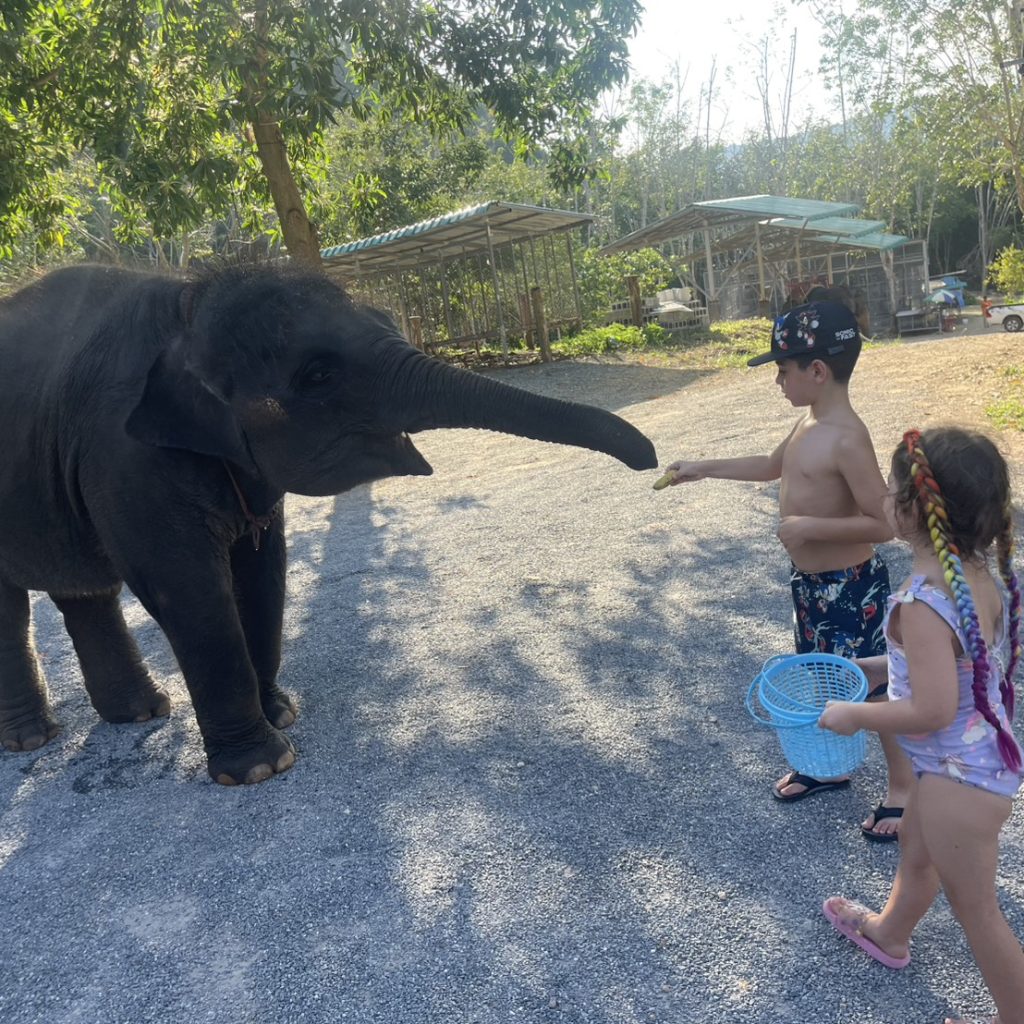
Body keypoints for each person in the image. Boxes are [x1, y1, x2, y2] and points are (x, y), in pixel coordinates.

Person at [661, 300, 912, 838]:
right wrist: (701, 468)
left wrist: (809, 528)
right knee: (824, 677)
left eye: (782, 369)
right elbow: (771, 466)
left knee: (875, 689)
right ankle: (830, 767)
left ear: (817, 370)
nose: (777, 381)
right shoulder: (809, 421)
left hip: (851, 590)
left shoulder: (846, 436)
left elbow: (884, 523)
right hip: (814, 590)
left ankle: (903, 789)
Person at [819, 427, 1024, 1024]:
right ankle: (890, 931)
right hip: (970, 764)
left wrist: (854, 715)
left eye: (891, 487)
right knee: (917, 848)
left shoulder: (923, 602)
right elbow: (947, 666)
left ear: (912, 508)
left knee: (977, 911)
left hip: (960, 779)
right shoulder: (970, 576)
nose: (884, 496)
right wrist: (876, 666)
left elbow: (931, 709)